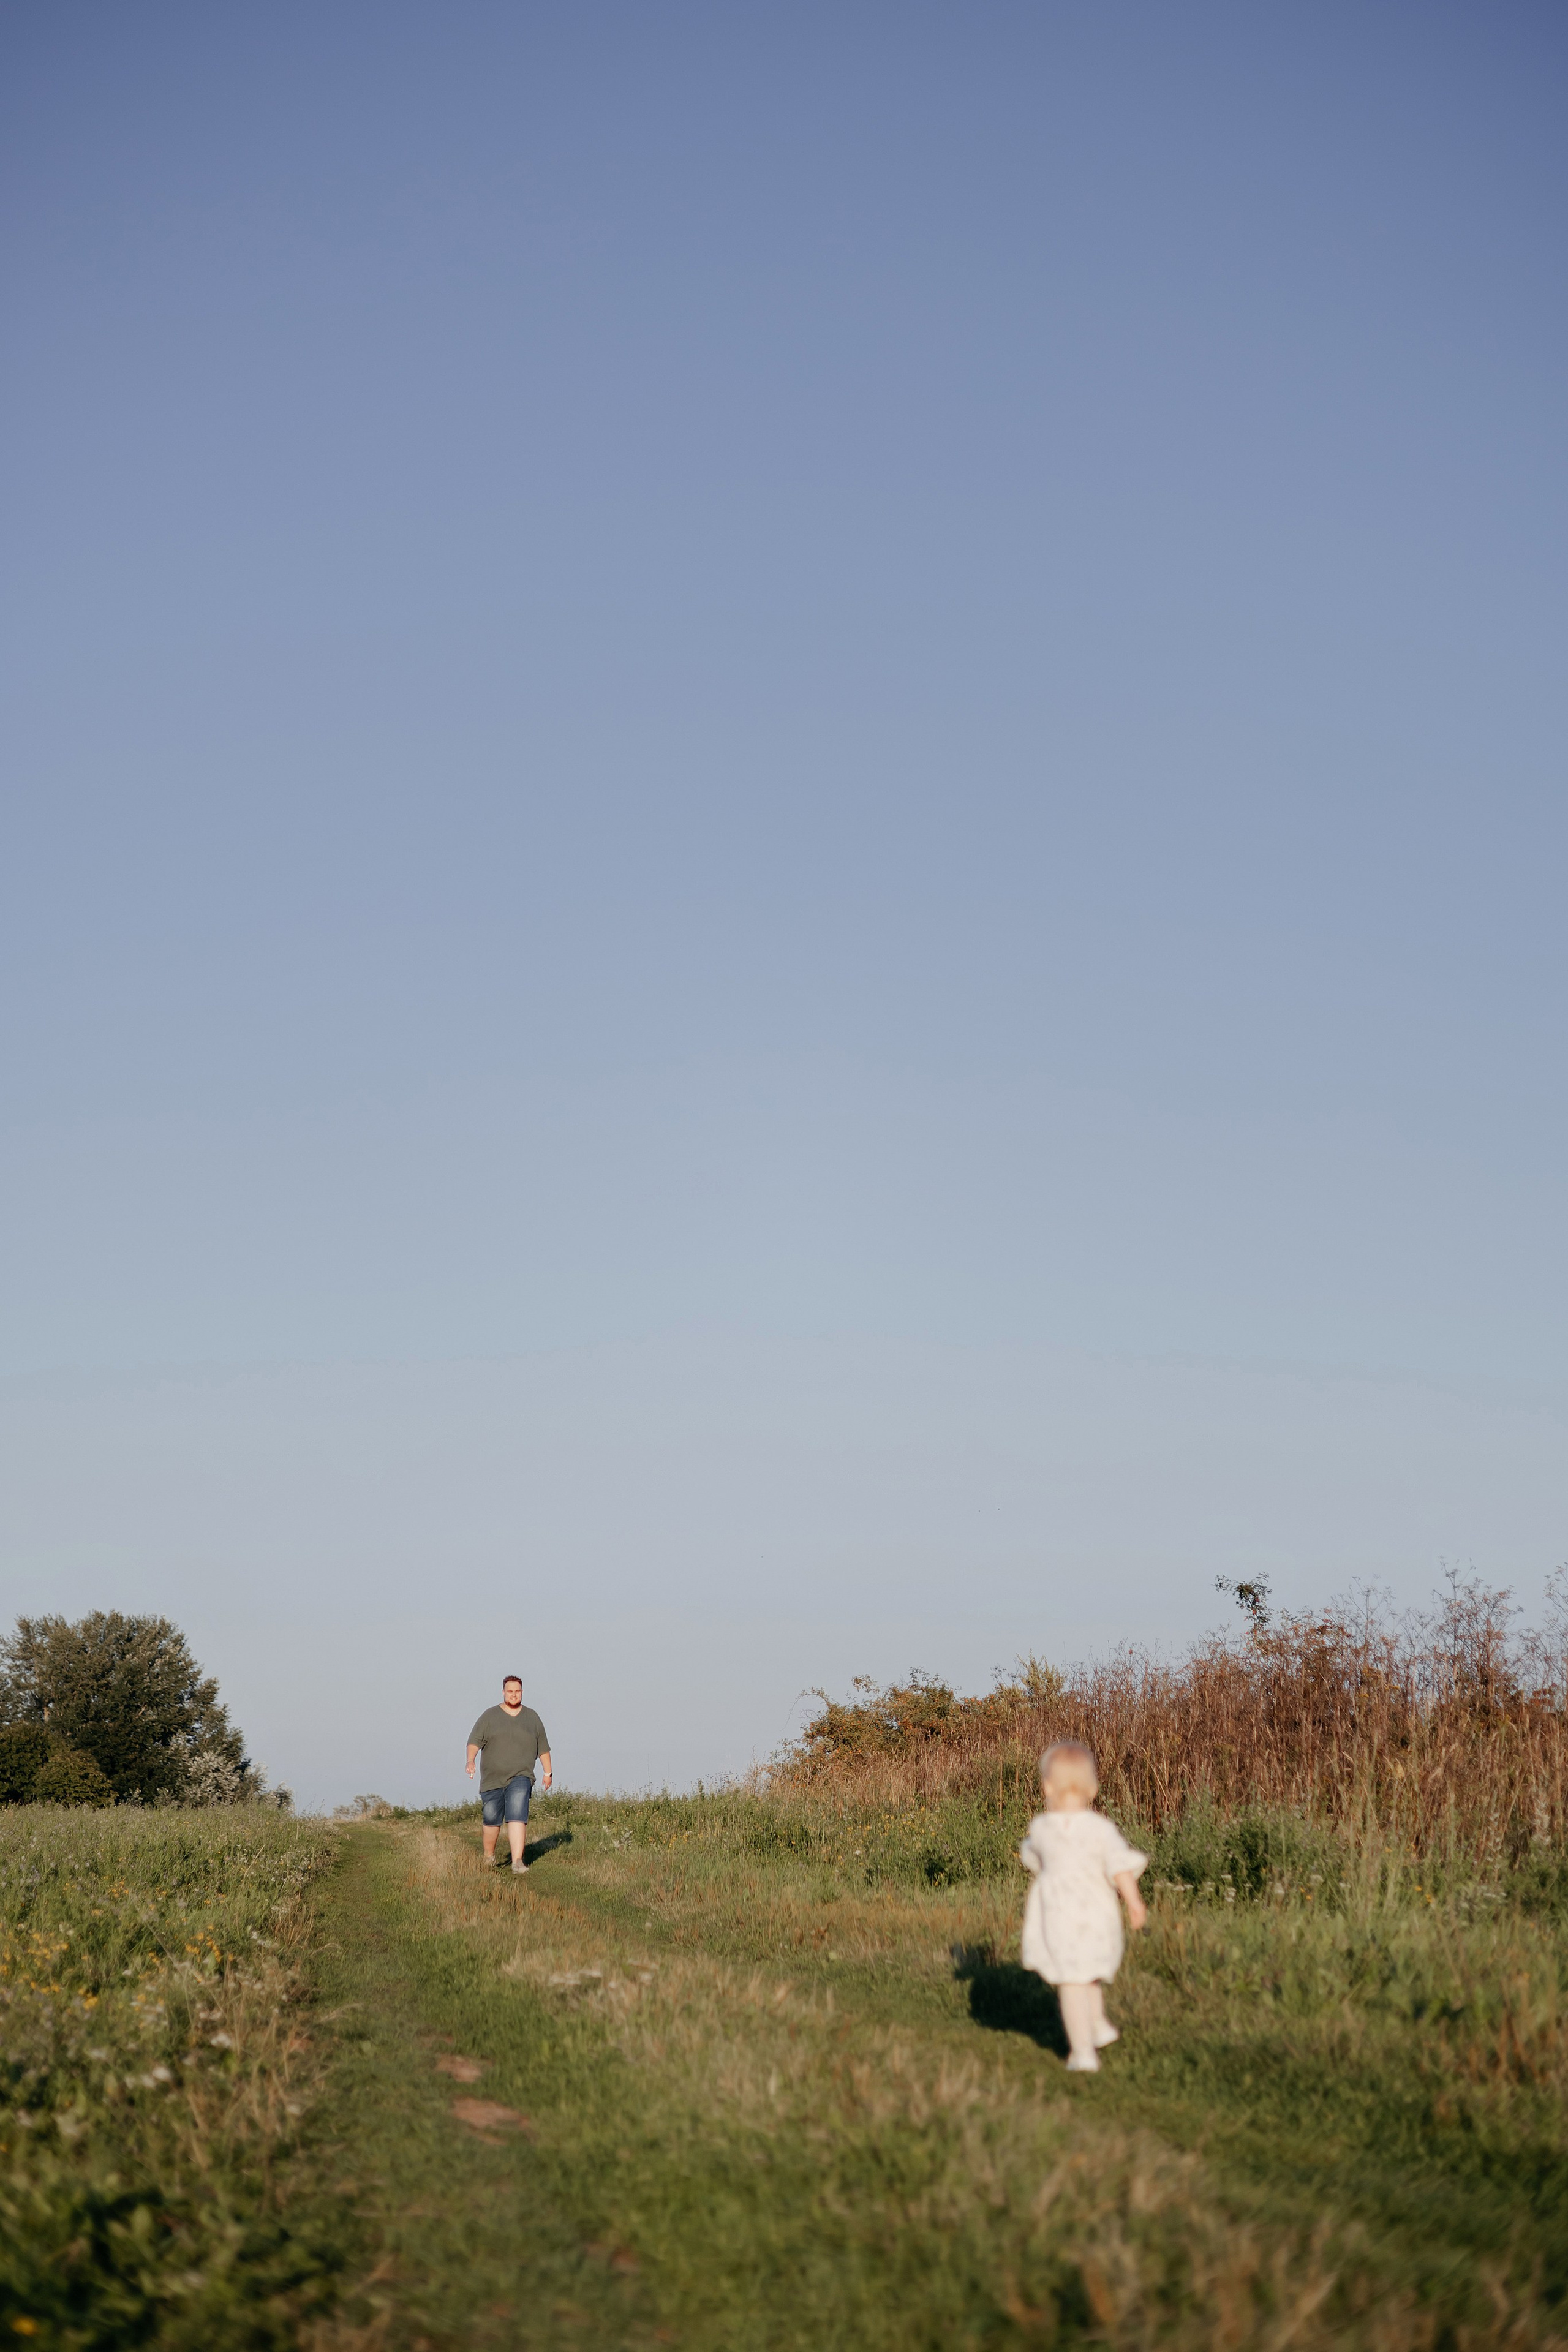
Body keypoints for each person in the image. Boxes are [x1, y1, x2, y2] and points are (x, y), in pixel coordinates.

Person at [1018, 1739, 1148, 2073]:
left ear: (1047, 1786)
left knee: (1071, 1982)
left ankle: (1083, 2053)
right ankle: (1098, 2024)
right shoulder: (1102, 1829)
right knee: (1086, 1972)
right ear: (1092, 1788)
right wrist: (1134, 1901)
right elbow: (1119, 1866)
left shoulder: (1041, 1829)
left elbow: (1032, 1858)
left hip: (1060, 1916)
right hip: (1096, 1914)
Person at [466, 1675, 552, 1873]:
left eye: (517, 1692)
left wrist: (548, 1773)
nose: (514, 1695)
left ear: (522, 1692)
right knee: (491, 1819)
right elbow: (474, 1743)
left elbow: (544, 1749)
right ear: (504, 1693)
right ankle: (489, 1856)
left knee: (517, 1814)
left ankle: (517, 1862)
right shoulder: (489, 1716)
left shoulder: (533, 1718)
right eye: (510, 1692)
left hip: (521, 1776)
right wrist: (470, 1760)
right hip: (492, 1779)